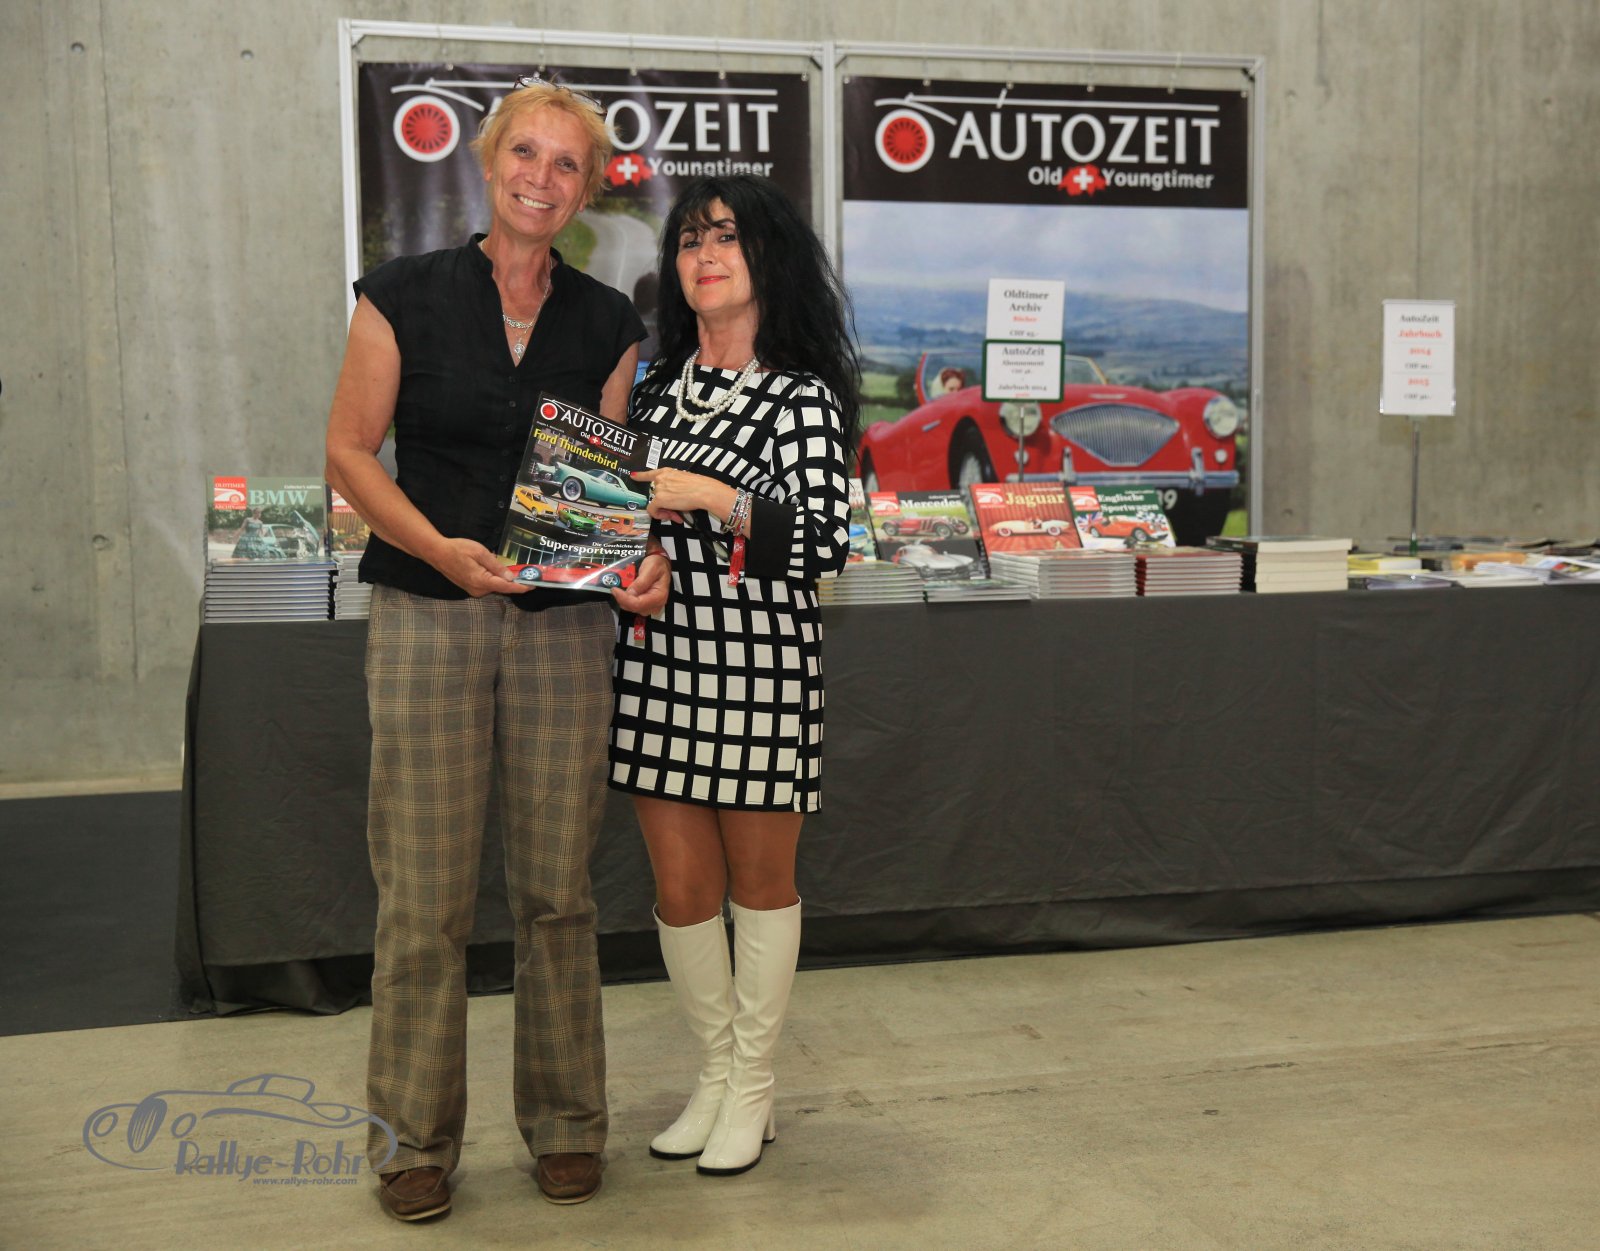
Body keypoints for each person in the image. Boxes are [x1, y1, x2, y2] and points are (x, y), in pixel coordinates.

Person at [324, 79, 669, 1223]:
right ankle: (414, 1143)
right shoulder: (400, 295)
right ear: (487, 162)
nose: (541, 178)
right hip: (426, 613)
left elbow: (605, 486)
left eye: (567, 163)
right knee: (422, 898)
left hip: (563, 631)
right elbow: (348, 451)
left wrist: (638, 558)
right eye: (526, 152)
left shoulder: (607, 324)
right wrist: (438, 546)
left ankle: (567, 1125)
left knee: (557, 892)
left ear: (590, 188)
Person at [608, 175, 858, 1176]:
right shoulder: (652, 389)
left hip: (761, 666)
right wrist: (638, 561)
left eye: (725, 237)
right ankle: (714, 1074)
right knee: (679, 891)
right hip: (659, 663)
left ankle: (753, 1084)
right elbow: (621, 521)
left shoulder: (802, 396)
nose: (704, 256)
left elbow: (824, 543)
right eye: (688, 240)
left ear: (768, 257)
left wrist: (715, 496)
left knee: (759, 887)